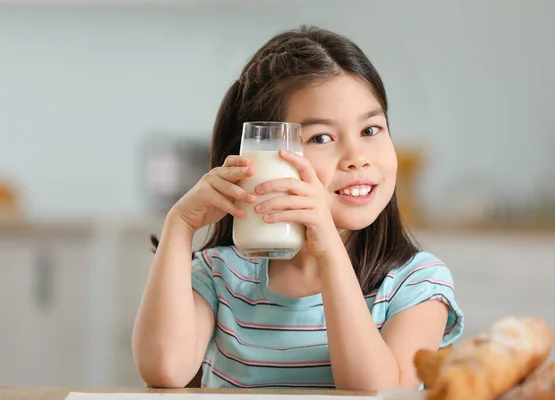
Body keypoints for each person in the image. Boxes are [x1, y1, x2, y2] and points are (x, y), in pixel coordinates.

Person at [132, 25, 464, 391]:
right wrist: (179, 226)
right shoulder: (220, 275)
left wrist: (329, 252)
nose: (357, 158)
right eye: (321, 137)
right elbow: (163, 369)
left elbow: (378, 393)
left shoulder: (416, 283)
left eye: (371, 130)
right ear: (259, 154)